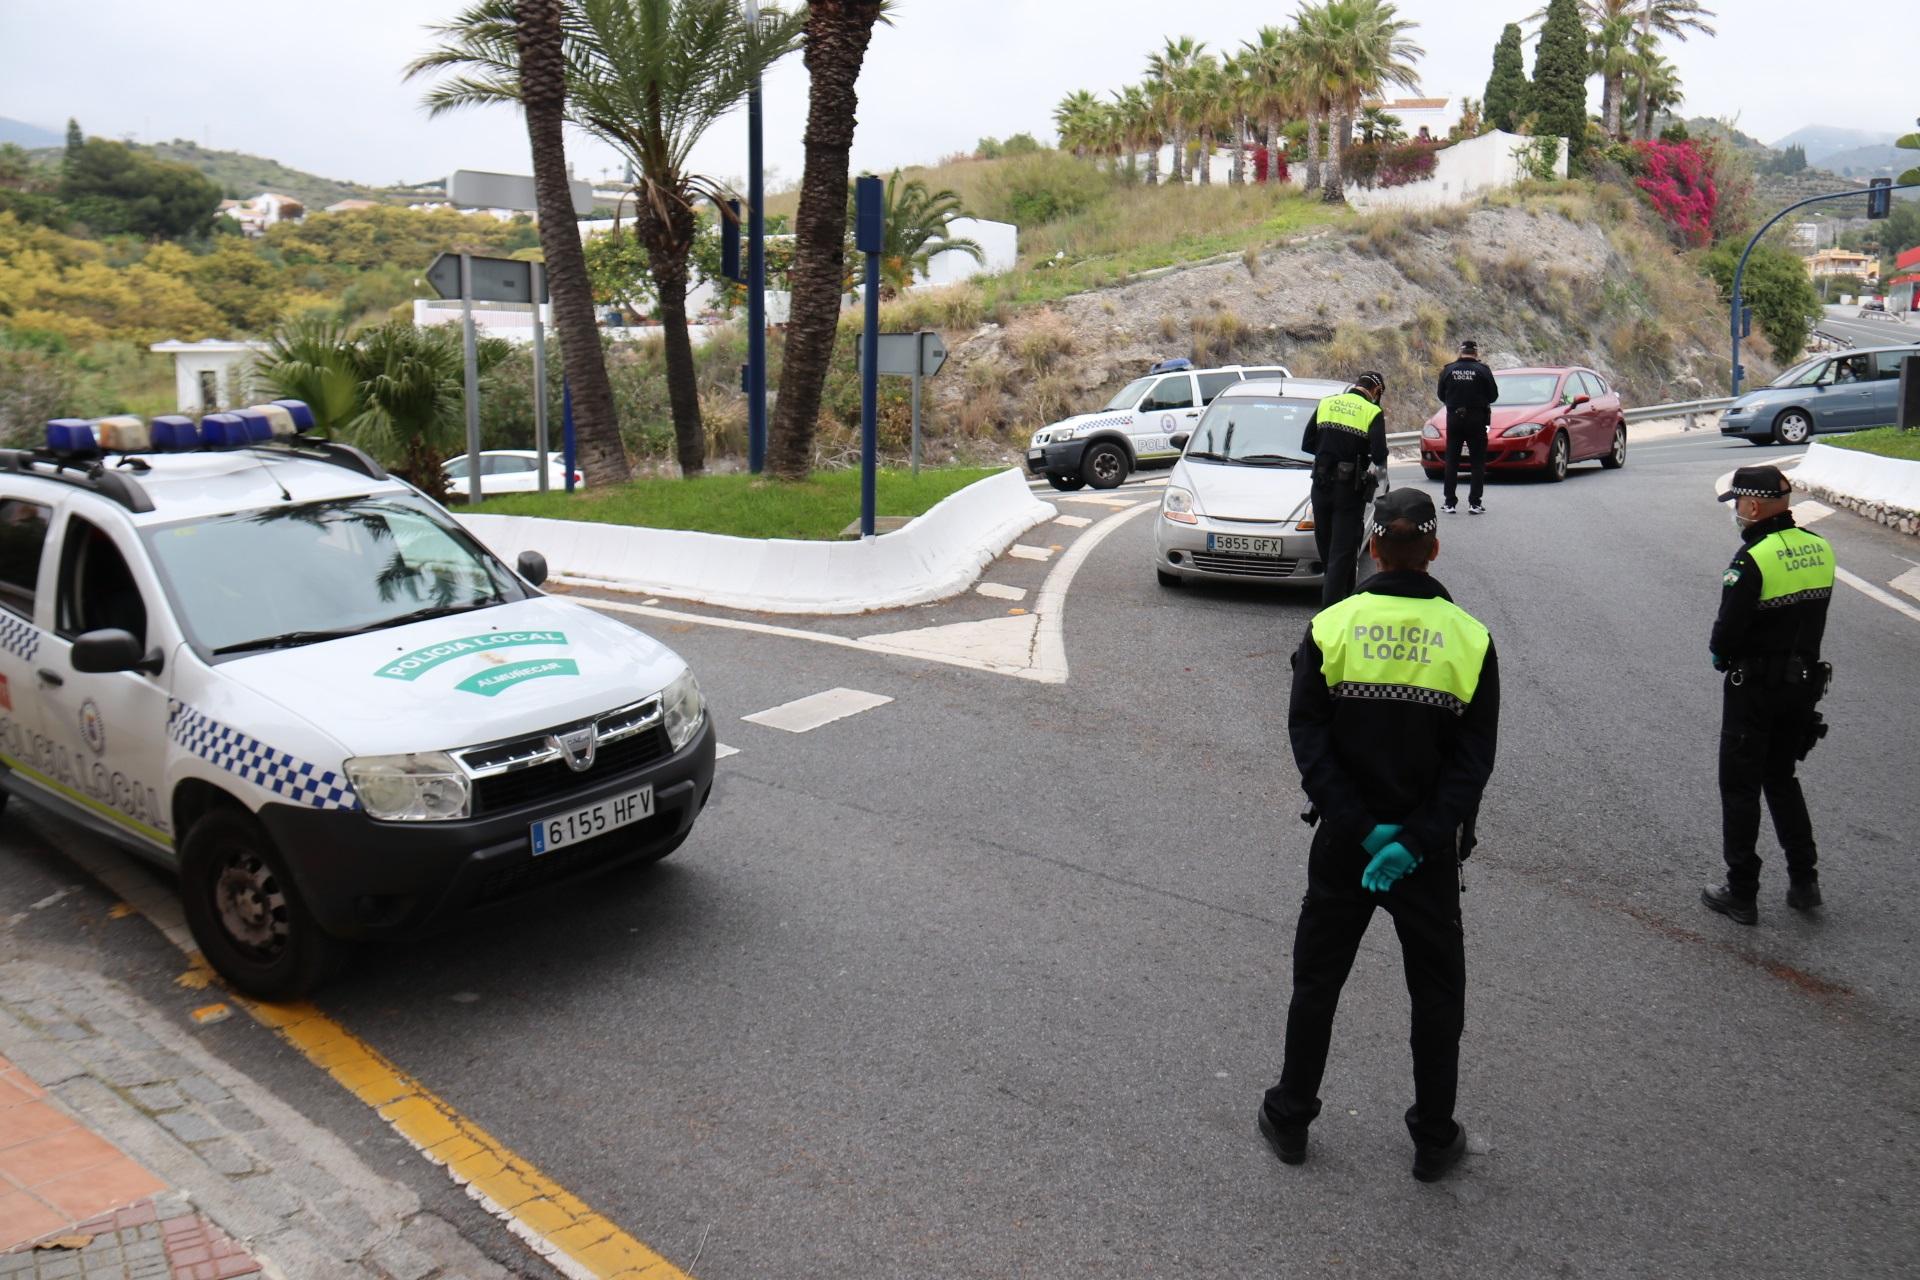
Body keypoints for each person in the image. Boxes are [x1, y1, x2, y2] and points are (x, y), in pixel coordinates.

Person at [1259, 486, 1500, 1183]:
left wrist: (1362, 831)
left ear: (1370, 546)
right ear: (1432, 549)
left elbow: (1308, 735)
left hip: (1344, 845)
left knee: (1318, 984)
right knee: (1436, 995)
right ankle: (1432, 1137)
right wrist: (1412, 840)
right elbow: (1472, 763)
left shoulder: (1333, 627)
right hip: (1424, 856)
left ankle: (1291, 1116)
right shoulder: (1471, 638)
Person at [1702, 465, 1835, 926]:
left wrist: (1722, 660)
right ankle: (1804, 879)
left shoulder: (1752, 561)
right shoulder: (1821, 549)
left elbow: (1726, 636)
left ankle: (1741, 893)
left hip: (1753, 690)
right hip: (1801, 688)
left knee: (1740, 787)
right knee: (1781, 778)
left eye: (1738, 503)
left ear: (1753, 506)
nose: (1736, 512)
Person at [1302, 371, 1389, 606]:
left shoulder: (1327, 403)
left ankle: (1347, 599)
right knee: (1341, 555)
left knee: (1329, 549)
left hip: (1320, 486)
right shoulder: (1372, 412)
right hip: (1349, 490)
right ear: (1376, 391)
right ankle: (1329, 617)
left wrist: (1328, 452)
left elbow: (1307, 443)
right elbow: (1380, 455)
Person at [1435, 340, 1498, 515]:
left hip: (1454, 419)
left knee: (1452, 462)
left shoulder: (1448, 369)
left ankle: (1449, 503)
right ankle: (1475, 503)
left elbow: (1441, 395)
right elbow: (1493, 396)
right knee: (1477, 462)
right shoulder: (1483, 370)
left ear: (1460, 352)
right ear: (1476, 353)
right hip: (1477, 419)